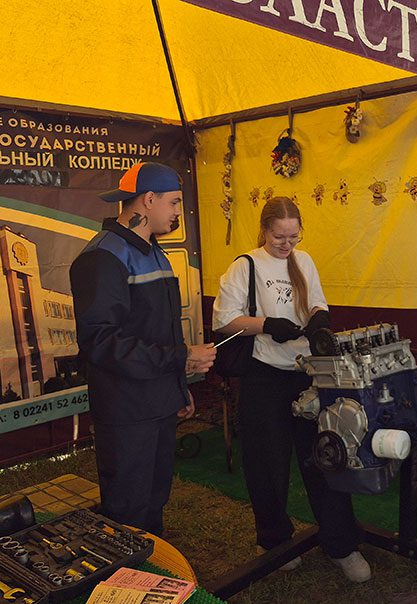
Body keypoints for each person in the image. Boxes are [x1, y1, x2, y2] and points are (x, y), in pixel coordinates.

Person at [212, 197, 370, 582]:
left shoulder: (304, 261)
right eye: (279, 237)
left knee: (325, 456)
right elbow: (224, 320)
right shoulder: (245, 266)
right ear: (264, 230)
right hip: (263, 377)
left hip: (306, 374)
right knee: (267, 463)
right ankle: (275, 542)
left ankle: (341, 543)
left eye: (293, 237)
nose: (286, 244)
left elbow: (316, 302)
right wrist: (266, 324)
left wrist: (318, 320)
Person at [70, 162, 217, 535]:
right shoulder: (103, 256)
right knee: (127, 509)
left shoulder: (153, 251)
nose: (178, 212)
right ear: (148, 199)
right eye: (174, 203)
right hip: (126, 410)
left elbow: (163, 331)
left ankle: (151, 565)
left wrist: (178, 387)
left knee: (154, 498)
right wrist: (182, 358)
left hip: (159, 401)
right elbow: (101, 342)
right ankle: (127, 571)